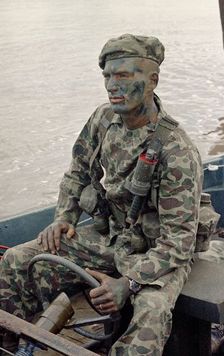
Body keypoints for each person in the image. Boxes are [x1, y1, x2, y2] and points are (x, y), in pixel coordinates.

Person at [0, 34, 203, 355]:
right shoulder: (103, 119)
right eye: (107, 76)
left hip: (155, 253)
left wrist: (129, 283)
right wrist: (64, 218)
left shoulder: (176, 150)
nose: (111, 85)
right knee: (17, 261)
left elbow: (178, 242)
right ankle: (15, 343)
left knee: (151, 312)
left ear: (152, 81)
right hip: (110, 237)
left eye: (123, 75)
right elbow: (77, 173)